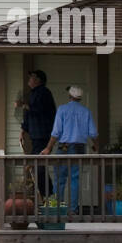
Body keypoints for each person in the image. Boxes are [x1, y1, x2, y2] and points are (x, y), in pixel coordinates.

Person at [41, 86, 98, 214]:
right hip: (79, 148)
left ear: (69, 96)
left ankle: (57, 208)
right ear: (80, 98)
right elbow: (93, 133)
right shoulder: (86, 111)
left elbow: (56, 132)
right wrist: (96, 146)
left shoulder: (62, 109)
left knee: (59, 178)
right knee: (75, 179)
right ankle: (73, 209)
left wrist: (48, 148)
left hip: (64, 147)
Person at [21, 70, 56, 198]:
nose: (29, 79)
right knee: (37, 166)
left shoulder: (44, 93)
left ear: (39, 80)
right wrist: (23, 130)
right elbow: (28, 115)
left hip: (43, 134)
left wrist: (27, 106)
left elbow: (42, 110)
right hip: (35, 134)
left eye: (32, 77)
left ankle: (47, 194)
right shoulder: (32, 94)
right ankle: (46, 193)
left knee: (38, 165)